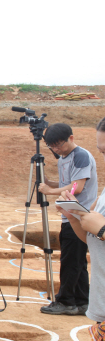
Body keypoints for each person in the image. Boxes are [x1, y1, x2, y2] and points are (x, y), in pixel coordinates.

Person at [38, 122, 98, 315]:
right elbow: (67, 183)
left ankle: (65, 302)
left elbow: (76, 187)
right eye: (52, 146)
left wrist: (50, 191)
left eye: (59, 145)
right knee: (77, 262)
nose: (56, 149)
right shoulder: (64, 157)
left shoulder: (80, 156)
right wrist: (50, 183)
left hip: (79, 217)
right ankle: (82, 301)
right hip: (70, 215)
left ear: (71, 138)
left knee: (70, 262)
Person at [56, 116, 105, 325]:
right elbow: (92, 241)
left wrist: (102, 230)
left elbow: (100, 233)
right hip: (101, 308)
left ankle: (68, 300)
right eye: (103, 151)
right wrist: (73, 216)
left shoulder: (80, 157)